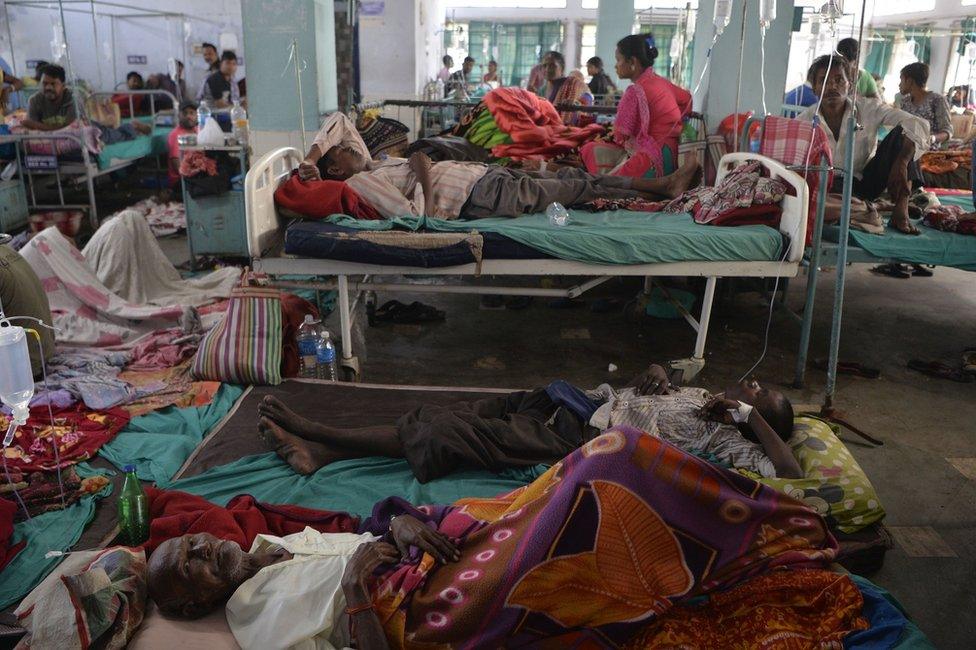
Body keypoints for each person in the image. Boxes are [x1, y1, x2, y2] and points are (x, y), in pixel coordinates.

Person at [148, 427, 838, 648]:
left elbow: (367, 530)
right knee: (602, 482)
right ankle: (773, 543)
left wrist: (399, 522)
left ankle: (780, 532)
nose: (207, 547)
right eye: (193, 564)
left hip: (431, 547)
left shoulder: (281, 543)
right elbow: (362, 639)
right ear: (188, 607)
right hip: (429, 604)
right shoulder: (249, 615)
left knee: (610, 448)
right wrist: (361, 578)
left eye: (197, 542)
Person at [256, 361, 801, 482]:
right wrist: (653, 373)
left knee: (451, 434)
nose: (753, 385)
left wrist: (750, 417)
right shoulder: (701, 393)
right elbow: (644, 382)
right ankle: (324, 453)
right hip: (573, 399)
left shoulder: (726, 439)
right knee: (453, 416)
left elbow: (791, 470)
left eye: (762, 393)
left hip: (583, 436)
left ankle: (321, 435)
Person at [797, 55, 927, 235]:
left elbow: (917, 124)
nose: (832, 86)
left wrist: (902, 162)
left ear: (849, 85)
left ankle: (900, 209)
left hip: (862, 182)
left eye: (838, 80)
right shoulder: (803, 122)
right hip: (825, 187)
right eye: (824, 81)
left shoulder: (868, 108)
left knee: (905, 135)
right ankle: (874, 207)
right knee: (808, 202)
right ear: (815, 89)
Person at [581, 34, 692, 179]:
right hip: (673, 156)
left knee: (597, 169)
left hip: (652, 160)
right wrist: (676, 126)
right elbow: (687, 99)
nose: (616, 65)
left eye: (618, 60)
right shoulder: (661, 82)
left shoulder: (634, 91)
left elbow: (621, 134)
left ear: (632, 61)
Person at [21, 64, 152, 142]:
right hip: (66, 130)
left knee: (114, 136)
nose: (48, 87)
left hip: (86, 127)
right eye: (44, 84)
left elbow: (68, 130)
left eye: (53, 84)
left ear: (63, 85)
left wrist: (35, 125)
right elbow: (33, 129)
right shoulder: (35, 100)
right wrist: (34, 125)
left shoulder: (73, 98)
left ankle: (133, 127)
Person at [895, 62, 952, 145]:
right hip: (905, 147)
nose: (899, 84)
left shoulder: (937, 100)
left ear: (910, 81)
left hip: (928, 150)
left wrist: (932, 138)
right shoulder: (905, 102)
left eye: (901, 80)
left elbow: (947, 131)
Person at [543, 51, 592, 124]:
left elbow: (588, 95)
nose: (547, 69)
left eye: (552, 66)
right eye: (544, 66)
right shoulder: (542, 88)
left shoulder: (572, 83)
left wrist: (576, 102)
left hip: (565, 129)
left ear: (562, 68)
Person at [167, 101, 198, 188]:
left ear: (197, 115)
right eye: (185, 113)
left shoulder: (198, 130)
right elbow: (179, 168)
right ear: (179, 116)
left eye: (192, 113)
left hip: (195, 174)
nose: (188, 116)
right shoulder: (175, 135)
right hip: (181, 180)